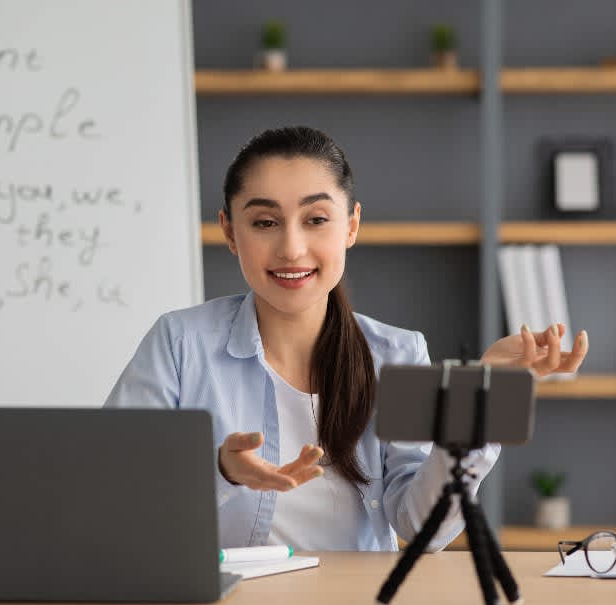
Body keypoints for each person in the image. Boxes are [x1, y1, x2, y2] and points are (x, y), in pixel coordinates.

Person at [105, 126, 588, 551]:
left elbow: (424, 529)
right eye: (264, 222)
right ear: (230, 233)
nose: (292, 248)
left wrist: (480, 399)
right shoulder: (179, 343)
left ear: (351, 226)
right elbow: (112, 493)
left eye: (316, 220)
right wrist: (219, 471)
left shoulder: (397, 354)